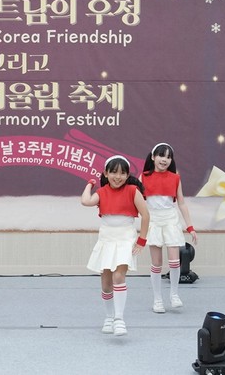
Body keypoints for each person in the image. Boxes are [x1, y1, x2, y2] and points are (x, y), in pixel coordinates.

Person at [81, 155, 150, 336]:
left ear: (127, 175)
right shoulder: (102, 192)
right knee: (106, 283)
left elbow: (146, 215)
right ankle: (109, 317)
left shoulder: (133, 191)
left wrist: (142, 240)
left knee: (118, 276)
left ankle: (119, 319)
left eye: (122, 173)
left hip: (125, 238)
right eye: (113, 173)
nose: (118, 177)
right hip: (106, 238)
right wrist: (89, 184)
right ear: (106, 173)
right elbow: (86, 201)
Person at [140, 143, 198, 313]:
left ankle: (174, 294)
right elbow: (136, 200)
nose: (164, 160)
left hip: (171, 219)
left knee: (174, 261)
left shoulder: (175, 178)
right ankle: (157, 299)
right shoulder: (143, 177)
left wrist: (190, 227)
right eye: (161, 155)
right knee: (156, 263)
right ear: (153, 157)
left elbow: (182, 203)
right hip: (153, 220)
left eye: (168, 157)